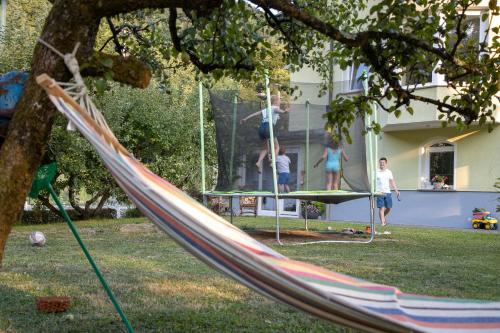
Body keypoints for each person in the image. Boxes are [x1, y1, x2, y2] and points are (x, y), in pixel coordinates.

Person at [240, 93, 289, 173]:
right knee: (277, 147)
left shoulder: (266, 109)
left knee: (265, 148)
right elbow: (278, 110)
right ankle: (273, 163)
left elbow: (254, 114)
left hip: (261, 128)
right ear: (276, 101)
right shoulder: (275, 107)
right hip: (268, 127)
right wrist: (284, 112)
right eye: (279, 100)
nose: (280, 102)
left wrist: (245, 119)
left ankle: (259, 162)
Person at [376, 157, 400, 226]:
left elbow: (392, 182)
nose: (381, 164)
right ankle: (383, 222)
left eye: (383, 163)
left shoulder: (389, 172)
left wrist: (397, 191)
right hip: (379, 192)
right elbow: (373, 182)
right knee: (382, 208)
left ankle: (382, 217)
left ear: (386, 163)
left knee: (389, 208)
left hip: (387, 192)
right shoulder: (376, 172)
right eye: (380, 163)